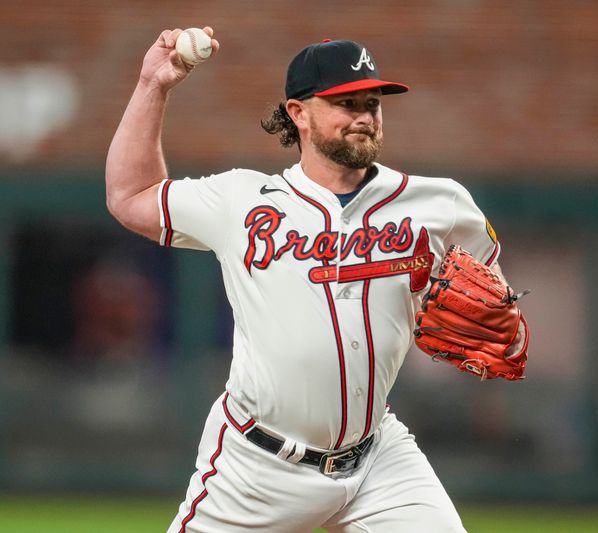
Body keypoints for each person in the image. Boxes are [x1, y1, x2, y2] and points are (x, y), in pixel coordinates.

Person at [106, 27, 527, 532]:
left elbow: (495, 301)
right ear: (297, 113)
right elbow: (130, 196)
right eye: (345, 103)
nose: (363, 116)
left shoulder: (440, 204)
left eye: (372, 102)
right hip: (258, 464)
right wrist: (153, 86)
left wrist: (507, 326)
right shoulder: (242, 200)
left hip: (376, 457)